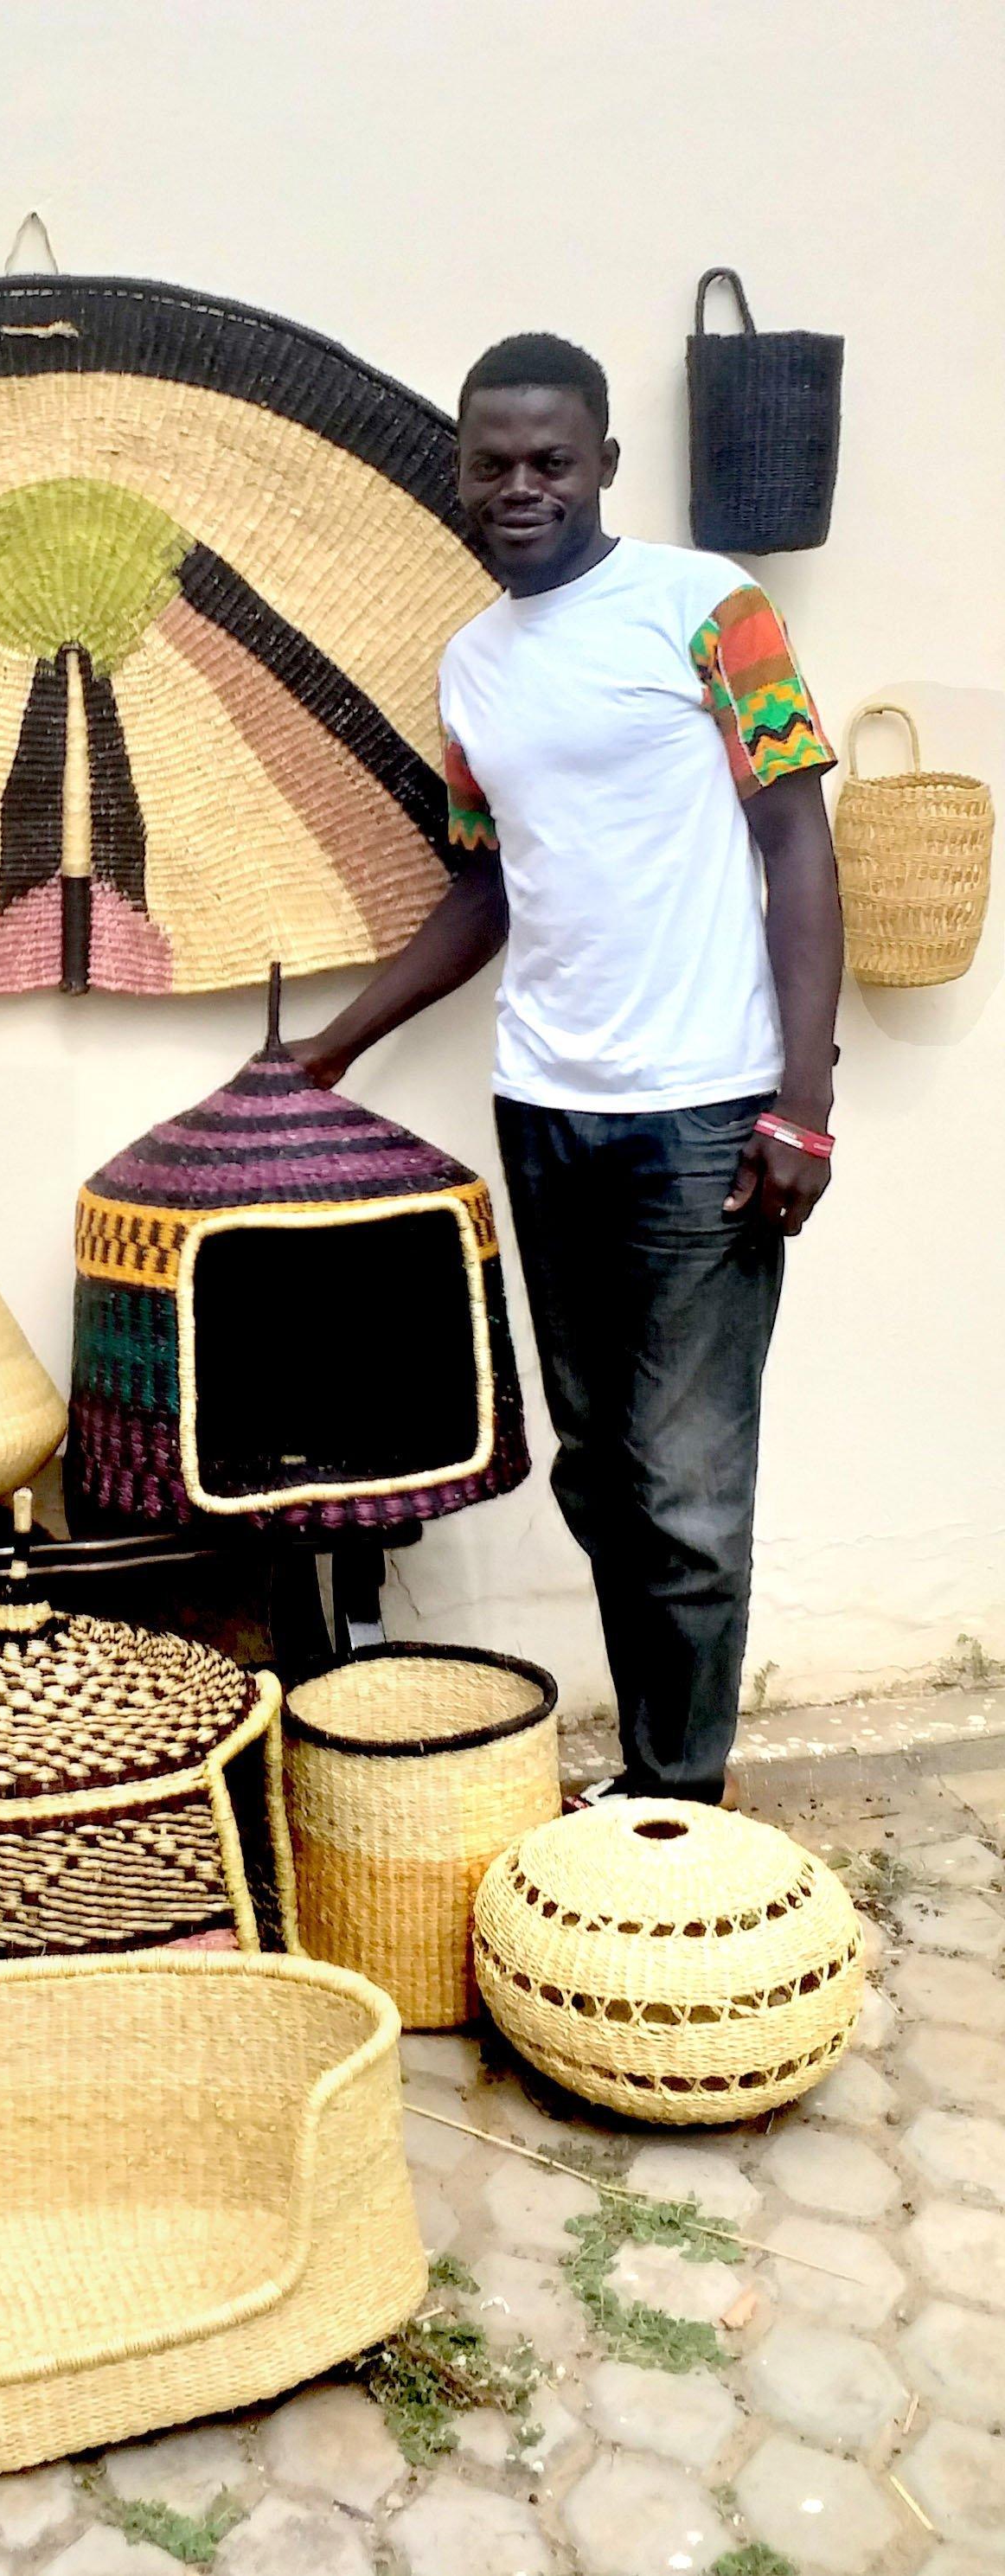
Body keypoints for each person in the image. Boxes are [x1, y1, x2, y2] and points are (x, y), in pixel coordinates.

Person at [291, 332, 842, 1806]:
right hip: (547, 1110)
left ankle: (682, 1792)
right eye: (494, 463)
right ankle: (662, 1770)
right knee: (600, 1464)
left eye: (551, 459)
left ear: (606, 461)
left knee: (683, 1483)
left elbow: (799, 843)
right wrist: (337, 1046)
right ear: (459, 475)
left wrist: (807, 1101)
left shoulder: (712, 610)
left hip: (707, 1110)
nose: (521, 485)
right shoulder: (472, 667)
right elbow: (485, 890)